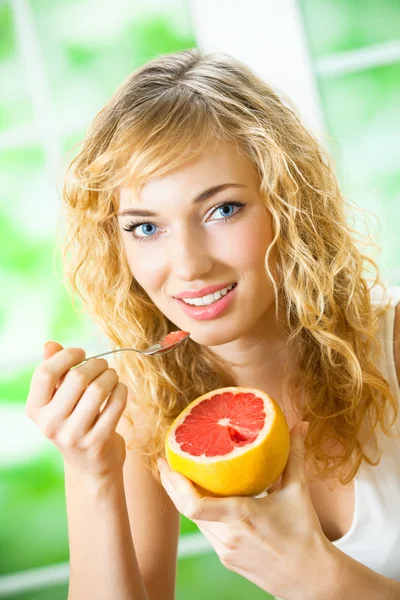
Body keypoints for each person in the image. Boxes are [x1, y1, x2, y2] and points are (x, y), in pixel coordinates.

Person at [25, 49, 400, 600]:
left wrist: (320, 580)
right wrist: (91, 476)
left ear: (287, 206)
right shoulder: (146, 406)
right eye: (146, 227)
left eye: (222, 210)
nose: (189, 266)